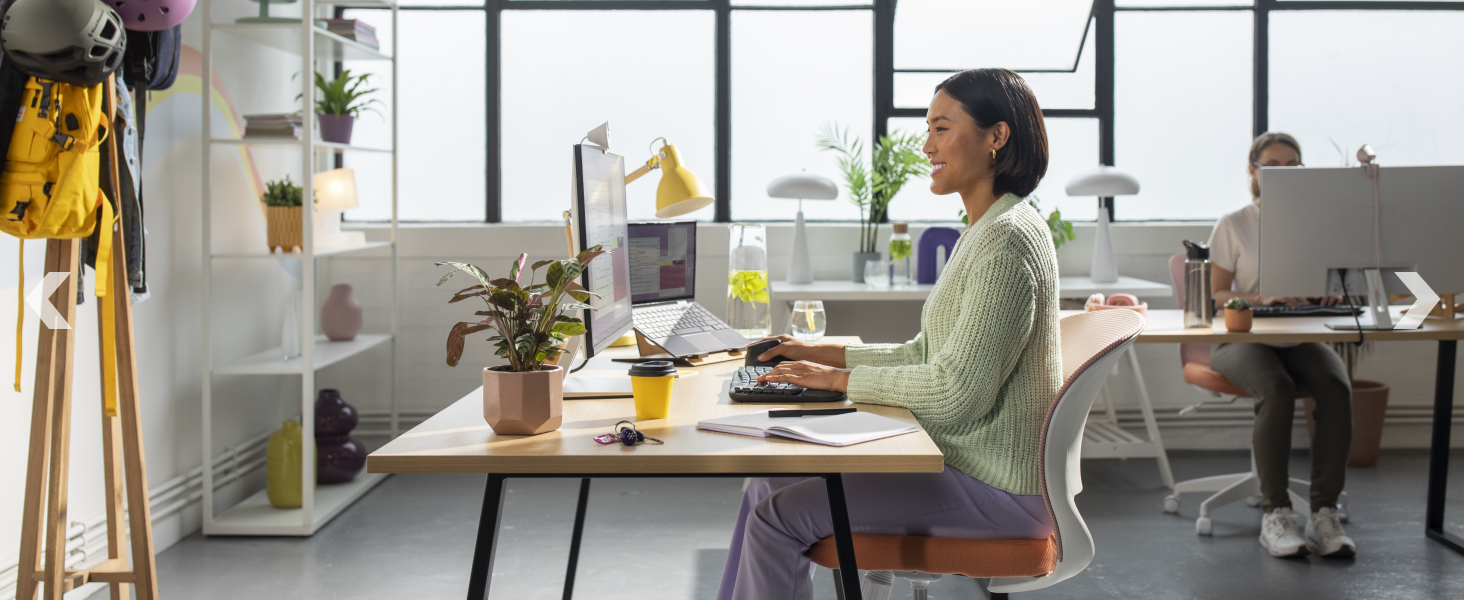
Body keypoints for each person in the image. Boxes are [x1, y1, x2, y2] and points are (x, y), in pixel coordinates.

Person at [715, 68, 1061, 600]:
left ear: (997, 137)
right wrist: (826, 352)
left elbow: (956, 394)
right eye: (928, 130)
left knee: (778, 517)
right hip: (965, 467)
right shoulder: (986, 230)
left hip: (997, 489)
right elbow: (926, 354)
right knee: (767, 479)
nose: (926, 146)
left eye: (942, 129)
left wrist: (837, 380)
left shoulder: (1006, 243)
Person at [1206, 132, 1356, 559]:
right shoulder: (1234, 224)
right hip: (1241, 338)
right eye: (1272, 165)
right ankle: (1277, 512)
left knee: (1335, 386)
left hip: (1297, 335)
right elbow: (1215, 297)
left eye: (1293, 167)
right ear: (1253, 171)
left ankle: (1325, 513)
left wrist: (1330, 291)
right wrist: (1262, 298)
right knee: (1277, 388)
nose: (1283, 174)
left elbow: (1339, 281)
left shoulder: (1316, 224)